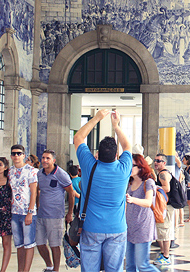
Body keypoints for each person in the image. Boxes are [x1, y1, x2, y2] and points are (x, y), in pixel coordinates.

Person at [74, 109, 132, 272]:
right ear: (116, 155)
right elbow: (127, 145)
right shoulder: (124, 168)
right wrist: (116, 126)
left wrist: (97, 118)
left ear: (97, 154)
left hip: (91, 227)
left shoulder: (89, 166)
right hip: (117, 228)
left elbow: (78, 138)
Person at [36, 149, 75, 272]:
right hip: (41, 215)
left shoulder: (61, 174)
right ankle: (49, 265)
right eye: (43, 158)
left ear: (53, 160)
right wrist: (36, 205)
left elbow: (71, 193)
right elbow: (37, 189)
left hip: (55, 216)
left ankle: (56, 269)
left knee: (54, 245)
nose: (44, 160)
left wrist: (70, 213)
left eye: (48, 158)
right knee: (40, 243)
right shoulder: (39, 174)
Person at [125, 154, 160, 272]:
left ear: (140, 167)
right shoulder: (130, 183)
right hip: (129, 228)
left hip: (143, 227)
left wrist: (132, 200)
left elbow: (148, 202)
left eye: (132, 165)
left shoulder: (148, 182)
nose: (129, 168)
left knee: (143, 265)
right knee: (130, 266)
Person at [8, 145, 38, 272]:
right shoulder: (9, 171)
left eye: (19, 153)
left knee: (29, 243)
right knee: (19, 245)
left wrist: (30, 212)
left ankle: (26, 270)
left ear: (24, 155)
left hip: (27, 212)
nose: (16, 156)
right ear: (11, 156)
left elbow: (34, 192)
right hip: (14, 212)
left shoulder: (31, 171)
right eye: (14, 153)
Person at [153, 153, 175, 266]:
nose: (156, 162)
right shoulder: (161, 173)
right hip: (164, 206)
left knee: (165, 230)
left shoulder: (163, 174)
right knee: (161, 230)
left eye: (158, 161)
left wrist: (155, 188)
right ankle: (163, 253)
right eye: (155, 160)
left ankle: (166, 256)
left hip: (166, 206)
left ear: (164, 163)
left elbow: (167, 188)